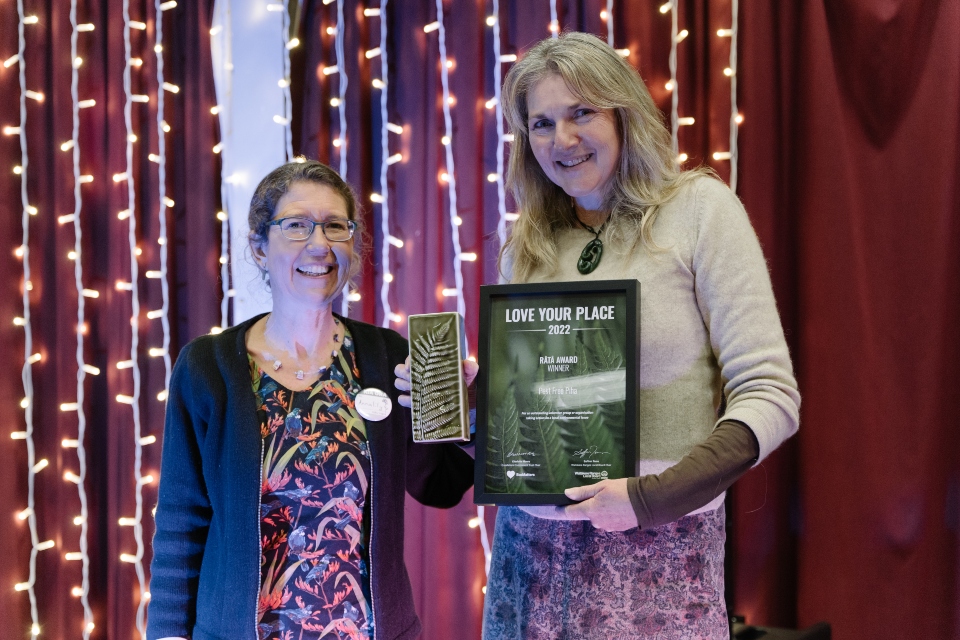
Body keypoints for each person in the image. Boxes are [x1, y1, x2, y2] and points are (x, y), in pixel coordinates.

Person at [480, 32, 800, 638]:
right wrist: (478, 405)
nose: (563, 140)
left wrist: (653, 498)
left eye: (582, 113)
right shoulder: (527, 244)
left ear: (624, 111)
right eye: (542, 123)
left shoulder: (700, 210)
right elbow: (533, 419)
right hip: (531, 562)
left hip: (660, 555)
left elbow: (770, 395)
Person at [146, 160, 474, 640]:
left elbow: (439, 486)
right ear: (259, 247)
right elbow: (181, 523)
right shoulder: (207, 367)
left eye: (335, 226)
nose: (319, 244)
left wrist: (464, 413)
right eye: (296, 225)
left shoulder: (390, 357)